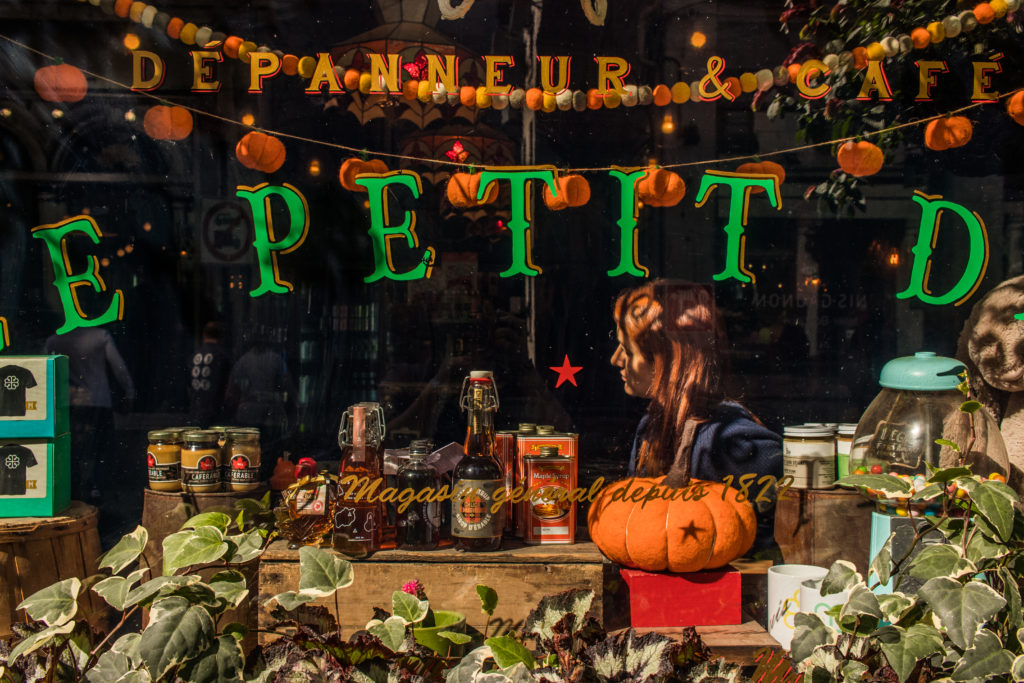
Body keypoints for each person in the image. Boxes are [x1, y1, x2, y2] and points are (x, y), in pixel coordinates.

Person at [610, 280, 782, 550]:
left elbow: (773, 530)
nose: (615, 360)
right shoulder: (651, 427)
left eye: (628, 350)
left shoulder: (727, 440)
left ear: (665, 359)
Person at [44, 326, 136, 503]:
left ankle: (74, 493)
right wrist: (130, 392)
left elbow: (47, 372)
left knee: (72, 451)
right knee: (101, 451)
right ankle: (100, 493)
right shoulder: (99, 336)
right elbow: (120, 369)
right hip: (98, 401)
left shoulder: (54, 340)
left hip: (68, 403)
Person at [187, 321, 231, 426]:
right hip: (215, 412)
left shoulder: (194, 355)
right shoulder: (223, 356)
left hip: (195, 411)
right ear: (221, 336)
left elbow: (187, 385)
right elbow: (229, 387)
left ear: (204, 335)